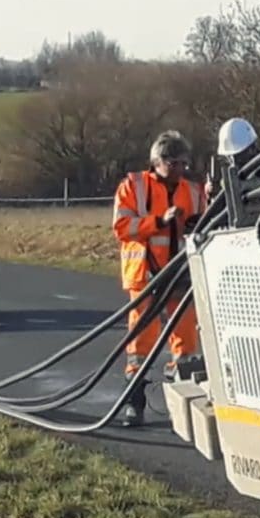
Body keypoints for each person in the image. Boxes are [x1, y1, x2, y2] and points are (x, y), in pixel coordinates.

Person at [112, 130, 208, 425]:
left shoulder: (192, 191)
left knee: (187, 340)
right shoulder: (133, 186)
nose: (180, 169)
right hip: (145, 275)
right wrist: (158, 221)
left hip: (181, 275)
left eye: (184, 163)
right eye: (175, 163)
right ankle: (135, 402)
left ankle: (185, 400)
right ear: (158, 161)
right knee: (141, 342)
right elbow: (122, 227)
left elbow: (205, 222)